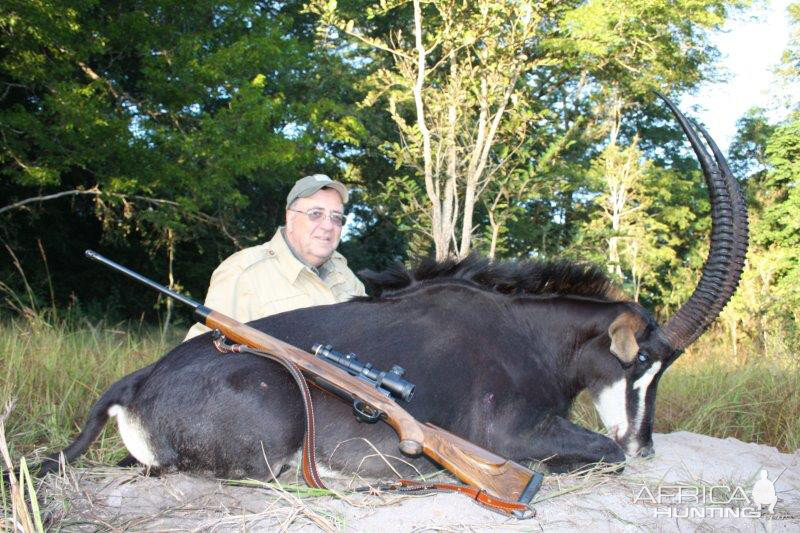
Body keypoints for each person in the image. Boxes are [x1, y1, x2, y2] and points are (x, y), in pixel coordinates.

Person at [185, 174, 366, 340]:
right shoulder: (243, 272)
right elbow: (200, 356)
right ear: (291, 218)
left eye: (336, 217)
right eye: (316, 214)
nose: (328, 225)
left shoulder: (346, 275)